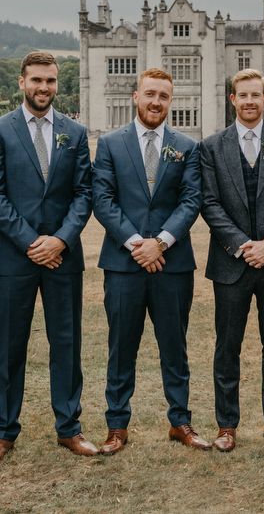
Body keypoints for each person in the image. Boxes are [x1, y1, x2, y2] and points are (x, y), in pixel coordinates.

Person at [92, 67, 209, 454]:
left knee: (174, 346)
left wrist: (159, 242)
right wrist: (135, 243)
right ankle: (116, 426)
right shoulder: (110, 144)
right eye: (150, 94)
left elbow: (191, 200)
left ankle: (180, 421)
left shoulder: (187, 147)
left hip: (172, 265)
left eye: (163, 96)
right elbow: (103, 200)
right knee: (121, 346)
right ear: (135, 95)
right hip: (123, 266)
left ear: (170, 101)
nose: (156, 101)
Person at [0, 51, 97, 460]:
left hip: (62, 258)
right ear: (22, 82)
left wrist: (60, 240)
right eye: (37, 80)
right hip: (13, 258)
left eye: (51, 81)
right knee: (8, 346)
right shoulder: (2, 130)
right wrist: (30, 241)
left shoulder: (74, 133)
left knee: (66, 343)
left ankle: (69, 428)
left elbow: (84, 193)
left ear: (58, 84)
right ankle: (4, 431)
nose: (44, 88)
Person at [200, 69, 264, 452]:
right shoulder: (211, 147)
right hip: (231, 263)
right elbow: (209, 203)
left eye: (256, 95)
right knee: (228, 346)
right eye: (242, 95)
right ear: (232, 99)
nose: (249, 101)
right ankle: (227, 425)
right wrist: (244, 245)